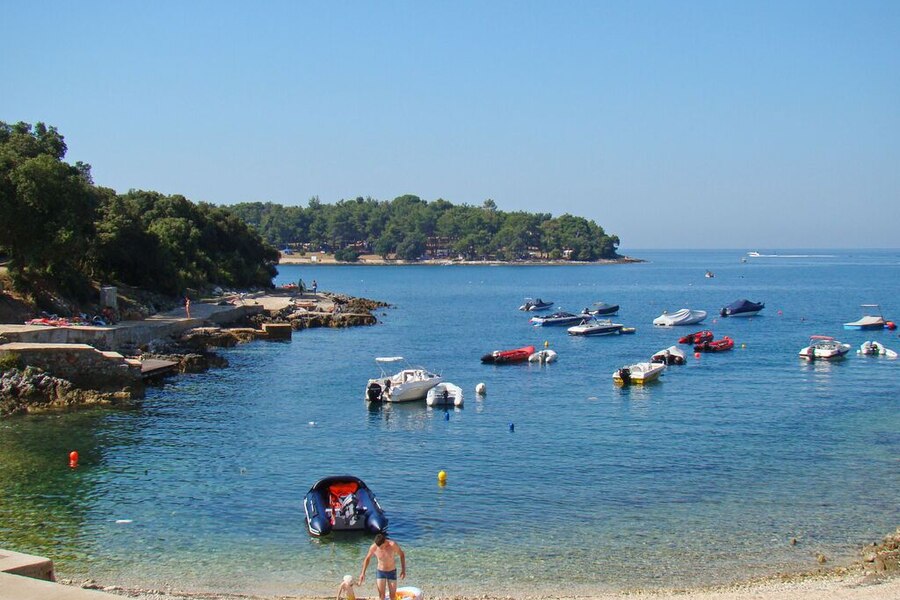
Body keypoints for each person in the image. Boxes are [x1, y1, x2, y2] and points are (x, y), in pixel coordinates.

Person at [359, 533, 405, 600]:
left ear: (385, 541)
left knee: (392, 596)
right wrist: (363, 573)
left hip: (392, 572)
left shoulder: (392, 545)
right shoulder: (374, 547)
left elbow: (402, 555)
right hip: (380, 572)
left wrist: (403, 570)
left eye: (380, 547)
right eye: (378, 546)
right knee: (381, 595)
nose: (379, 548)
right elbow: (367, 559)